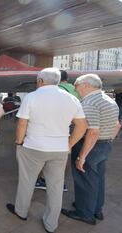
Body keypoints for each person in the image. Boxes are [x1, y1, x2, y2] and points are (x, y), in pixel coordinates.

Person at [6, 68, 87, 233]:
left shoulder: (32, 97)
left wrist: (19, 142)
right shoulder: (72, 99)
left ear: (41, 81)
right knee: (55, 187)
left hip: (33, 147)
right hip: (59, 150)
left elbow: (22, 124)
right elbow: (82, 126)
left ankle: (21, 212)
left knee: (27, 181)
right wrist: (69, 144)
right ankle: (51, 224)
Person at [61, 74, 121, 225]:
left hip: (90, 146)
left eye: (77, 86)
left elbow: (92, 132)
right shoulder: (108, 100)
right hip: (104, 145)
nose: (76, 90)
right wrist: (107, 141)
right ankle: (96, 209)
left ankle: (85, 213)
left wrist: (82, 156)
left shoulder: (89, 103)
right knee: (97, 178)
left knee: (84, 180)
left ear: (86, 85)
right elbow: (117, 125)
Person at [35, 70, 79, 191]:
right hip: (71, 126)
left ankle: (44, 180)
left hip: (55, 127)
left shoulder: (58, 90)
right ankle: (61, 183)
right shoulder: (75, 90)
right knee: (63, 157)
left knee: (47, 156)